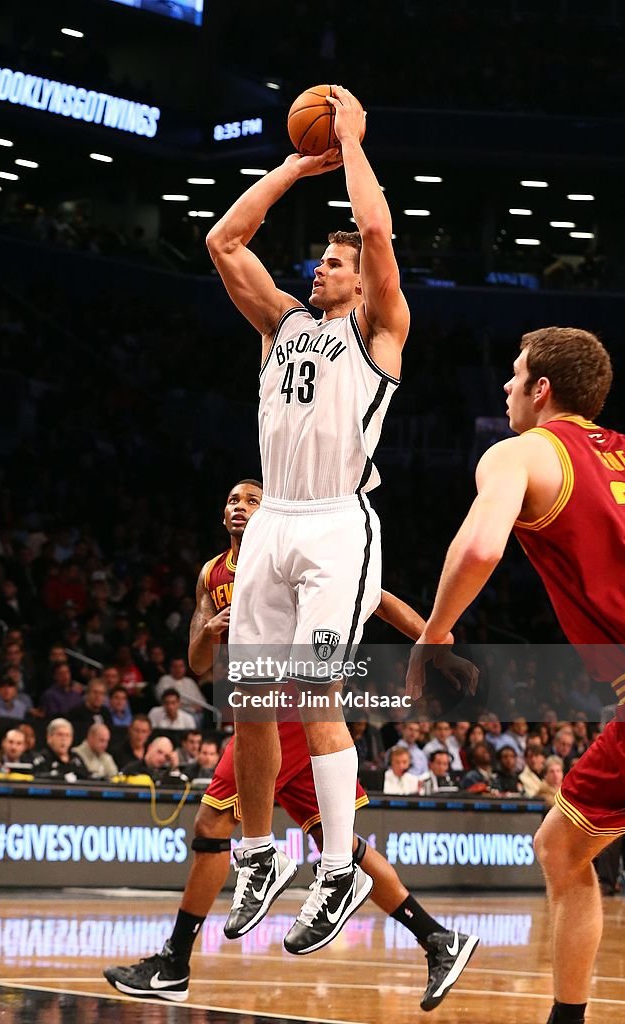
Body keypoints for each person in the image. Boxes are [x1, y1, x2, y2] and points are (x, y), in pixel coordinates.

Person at [105, 480, 478, 1009]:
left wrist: (435, 645)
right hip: (271, 714)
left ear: (273, 511)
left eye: (252, 500)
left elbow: (376, 600)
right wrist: (208, 630)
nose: (240, 507)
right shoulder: (212, 575)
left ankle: (175, 962)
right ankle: (439, 938)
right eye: (233, 499)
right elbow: (198, 664)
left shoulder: (289, 554)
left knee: (212, 825)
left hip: (283, 711)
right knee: (339, 844)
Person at [205, 86, 411, 954]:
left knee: (318, 694)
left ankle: (334, 868)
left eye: (334, 263)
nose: (320, 268)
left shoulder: (380, 329)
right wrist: (296, 163)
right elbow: (223, 240)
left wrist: (353, 140)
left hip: (335, 522)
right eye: (318, 262)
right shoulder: (280, 323)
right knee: (250, 699)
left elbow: (373, 233)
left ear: (362, 283)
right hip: (275, 520)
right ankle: (259, 854)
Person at [407, 327, 625, 1024]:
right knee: (562, 843)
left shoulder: (522, 452)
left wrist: (433, 635)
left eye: (513, 374)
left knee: (560, 848)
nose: (503, 387)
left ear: (541, 390)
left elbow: (477, 545)